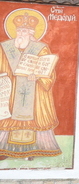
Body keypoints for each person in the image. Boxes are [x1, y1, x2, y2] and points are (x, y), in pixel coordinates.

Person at [0, 10, 61, 159]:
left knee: (34, 118)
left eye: (25, 31)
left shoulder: (40, 48)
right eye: (19, 30)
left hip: (34, 90)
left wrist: (38, 76)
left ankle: (32, 151)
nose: (21, 34)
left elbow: (47, 69)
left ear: (31, 33)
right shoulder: (4, 47)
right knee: (9, 118)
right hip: (11, 90)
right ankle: (5, 149)